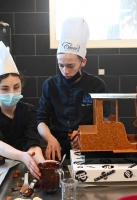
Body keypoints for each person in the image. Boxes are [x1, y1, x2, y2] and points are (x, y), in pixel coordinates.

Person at [37, 17, 110, 161]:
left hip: (88, 147)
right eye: (61, 65)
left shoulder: (97, 86)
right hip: (57, 145)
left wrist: (87, 134)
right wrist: (50, 139)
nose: (65, 71)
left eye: (71, 66)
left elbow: (106, 121)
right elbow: (41, 120)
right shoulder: (50, 85)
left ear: (83, 62)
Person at [0, 41, 45, 179]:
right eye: (5, 89)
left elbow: (32, 143)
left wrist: (43, 163)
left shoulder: (28, 111)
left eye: (16, 87)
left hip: (21, 167)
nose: (12, 92)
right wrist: (22, 156)